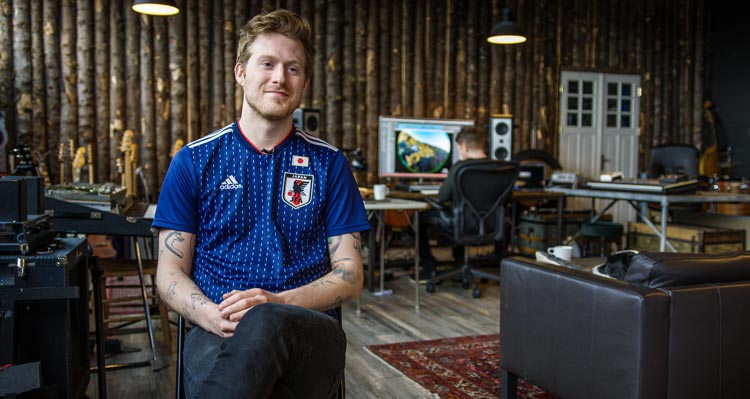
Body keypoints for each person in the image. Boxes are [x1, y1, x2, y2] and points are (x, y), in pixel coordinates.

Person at [152, 10, 370, 399]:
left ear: (304, 81)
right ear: (241, 72)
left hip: (309, 328)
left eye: (293, 68)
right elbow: (169, 273)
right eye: (267, 63)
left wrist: (275, 303)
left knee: (267, 326)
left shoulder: (329, 164)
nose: (279, 78)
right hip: (219, 328)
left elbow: (351, 274)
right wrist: (211, 315)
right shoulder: (194, 161)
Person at [418, 126, 489, 279]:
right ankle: (459, 263)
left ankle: (428, 268)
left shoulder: (460, 168)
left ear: (464, 146)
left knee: (419, 219)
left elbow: (442, 198)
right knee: (461, 213)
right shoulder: (501, 168)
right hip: (490, 225)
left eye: (459, 148)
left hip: (461, 225)